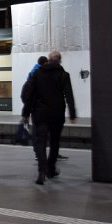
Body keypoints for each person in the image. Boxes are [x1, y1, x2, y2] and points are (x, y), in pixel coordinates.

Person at [22, 50, 77, 185]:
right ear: (60, 61)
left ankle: (41, 171)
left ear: (49, 59)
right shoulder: (63, 75)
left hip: (40, 114)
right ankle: (50, 169)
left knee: (40, 142)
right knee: (54, 143)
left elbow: (30, 95)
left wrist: (26, 113)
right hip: (57, 114)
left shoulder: (38, 74)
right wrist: (72, 114)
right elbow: (69, 95)